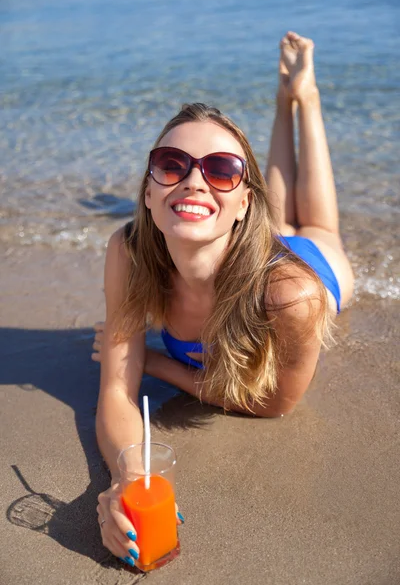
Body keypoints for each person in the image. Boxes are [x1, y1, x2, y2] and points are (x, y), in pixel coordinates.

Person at [92, 32, 354, 566]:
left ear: (241, 202)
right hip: (249, 246)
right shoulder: (129, 250)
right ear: (147, 190)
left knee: (319, 224)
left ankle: (306, 96)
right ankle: (286, 99)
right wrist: (127, 480)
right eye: (171, 164)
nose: (192, 181)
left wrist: (158, 364)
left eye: (221, 170)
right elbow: (116, 394)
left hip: (311, 269)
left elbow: (276, 403)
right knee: (283, 217)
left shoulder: (292, 297)